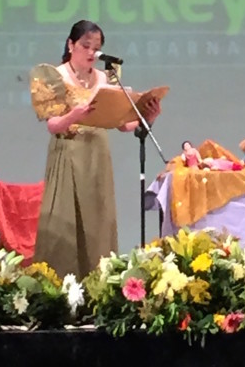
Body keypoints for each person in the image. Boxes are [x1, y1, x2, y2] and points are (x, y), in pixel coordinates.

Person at [29, 19, 160, 279]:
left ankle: (96, 289)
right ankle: (62, 291)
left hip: (97, 156)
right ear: (71, 44)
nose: (92, 53)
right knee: (65, 221)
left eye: (96, 47)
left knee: (98, 222)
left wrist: (149, 116)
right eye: (85, 46)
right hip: (68, 152)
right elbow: (53, 125)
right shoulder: (55, 76)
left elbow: (123, 125)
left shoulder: (106, 78)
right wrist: (74, 115)